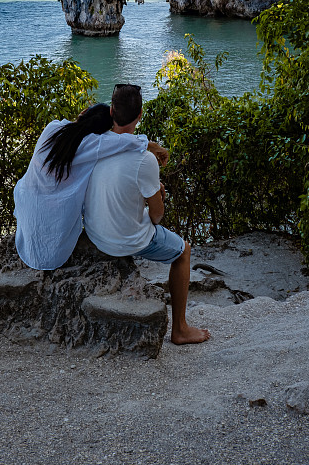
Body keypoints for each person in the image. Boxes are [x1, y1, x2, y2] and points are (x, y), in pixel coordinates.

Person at [83, 84, 211, 346]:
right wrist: (157, 196)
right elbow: (156, 217)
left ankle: (180, 327)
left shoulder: (95, 143)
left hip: (95, 233)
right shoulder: (144, 160)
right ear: (140, 115)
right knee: (183, 251)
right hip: (123, 241)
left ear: (111, 112)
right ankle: (180, 329)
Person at [13, 103, 154, 270]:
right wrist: (155, 147)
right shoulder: (93, 145)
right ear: (102, 131)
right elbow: (128, 141)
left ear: (84, 112)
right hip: (55, 227)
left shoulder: (53, 128)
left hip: (26, 206)